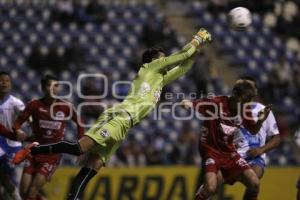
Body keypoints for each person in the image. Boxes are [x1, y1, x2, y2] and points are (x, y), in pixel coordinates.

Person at [13, 28, 212, 200]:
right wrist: (198, 38)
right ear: (153, 60)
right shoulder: (149, 67)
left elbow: (184, 66)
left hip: (126, 124)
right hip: (119, 116)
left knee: (93, 165)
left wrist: (199, 50)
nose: (165, 59)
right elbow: (181, 56)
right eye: (162, 57)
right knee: (79, 148)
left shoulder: (159, 78)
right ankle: (33, 150)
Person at [181, 80, 270, 200]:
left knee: (254, 183)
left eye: (247, 101)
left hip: (229, 153)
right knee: (211, 188)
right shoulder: (217, 103)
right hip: (211, 151)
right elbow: (195, 103)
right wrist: (188, 103)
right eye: (243, 100)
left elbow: (253, 130)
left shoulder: (244, 110)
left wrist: (260, 121)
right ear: (234, 94)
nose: (244, 104)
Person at [12, 74, 84, 200]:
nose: (54, 89)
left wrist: (81, 145)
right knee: (24, 192)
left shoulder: (66, 106)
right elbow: (17, 123)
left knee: (32, 191)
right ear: (43, 88)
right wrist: (18, 131)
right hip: (34, 151)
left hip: (52, 155)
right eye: (50, 85)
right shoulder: (34, 105)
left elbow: (80, 123)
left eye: (56, 86)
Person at [232, 77, 281, 199]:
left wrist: (261, 150)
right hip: (231, 155)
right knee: (212, 183)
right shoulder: (230, 108)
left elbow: (276, 138)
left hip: (254, 156)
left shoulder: (263, 110)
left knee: (254, 182)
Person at [0, 71, 23, 200]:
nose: (3, 83)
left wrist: (21, 130)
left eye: (6, 81)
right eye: (1, 80)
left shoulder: (16, 102)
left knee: (10, 181)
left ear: (11, 84)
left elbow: (27, 116)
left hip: (14, 147)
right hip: (1, 144)